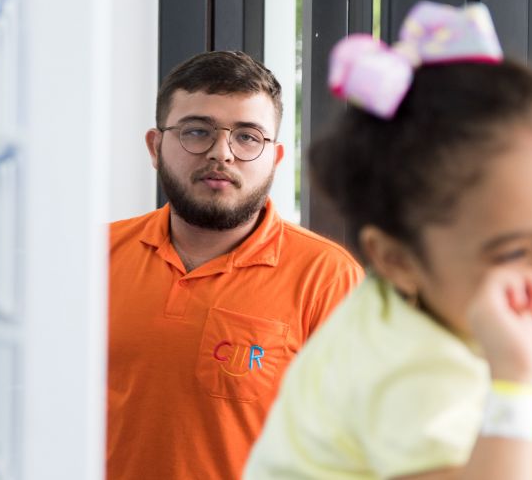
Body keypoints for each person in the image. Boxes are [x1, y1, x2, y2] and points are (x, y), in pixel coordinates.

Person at [244, 1, 532, 480]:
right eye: (513, 252)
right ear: (396, 258)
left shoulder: (409, 312)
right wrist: (517, 384)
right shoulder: (415, 372)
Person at [107, 50, 363, 480]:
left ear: (276, 159)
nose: (221, 153)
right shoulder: (95, 256)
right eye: (196, 131)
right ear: (155, 147)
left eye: (247, 137)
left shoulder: (326, 277)